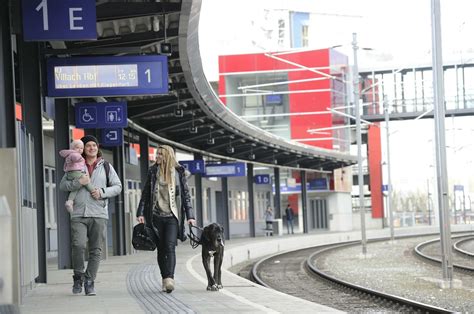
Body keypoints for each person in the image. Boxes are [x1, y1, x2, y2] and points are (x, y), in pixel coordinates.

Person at [60, 135, 122, 296]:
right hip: (78, 213)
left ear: (97, 147)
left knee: (96, 250)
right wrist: (77, 183)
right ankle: (78, 276)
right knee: (78, 245)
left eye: (94, 145)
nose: (91, 148)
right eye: (88, 145)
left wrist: (102, 192)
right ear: (82, 148)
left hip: (99, 213)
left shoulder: (106, 166)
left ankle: (89, 281)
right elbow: (63, 185)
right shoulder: (73, 164)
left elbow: (118, 186)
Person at [136, 145, 196, 293]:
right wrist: (140, 212)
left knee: (169, 246)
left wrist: (190, 216)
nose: (157, 157)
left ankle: (170, 278)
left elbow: (186, 196)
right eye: (157, 154)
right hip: (155, 216)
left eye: (161, 155)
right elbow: (145, 194)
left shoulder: (178, 173)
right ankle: (164, 278)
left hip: (172, 217)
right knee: (161, 249)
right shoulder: (153, 171)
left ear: (168, 156)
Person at [59, 139, 95, 213]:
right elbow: (62, 186)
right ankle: (94, 191)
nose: (80, 150)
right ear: (73, 148)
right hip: (76, 173)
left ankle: (70, 201)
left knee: (75, 188)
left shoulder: (70, 154)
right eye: (77, 148)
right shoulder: (75, 154)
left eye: (81, 148)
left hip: (71, 173)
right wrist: (79, 158)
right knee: (86, 181)